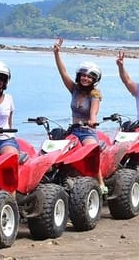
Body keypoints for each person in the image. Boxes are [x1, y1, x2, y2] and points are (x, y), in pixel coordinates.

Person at [52, 37, 109, 193]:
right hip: (73, 130)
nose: (86, 78)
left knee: (92, 153)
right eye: (84, 75)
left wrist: (91, 121)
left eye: (90, 76)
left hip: (87, 132)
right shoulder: (74, 89)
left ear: (94, 80)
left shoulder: (95, 94)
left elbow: (94, 113)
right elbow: (62, 72)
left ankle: (101, 183)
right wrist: (57, 54)